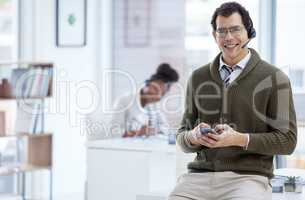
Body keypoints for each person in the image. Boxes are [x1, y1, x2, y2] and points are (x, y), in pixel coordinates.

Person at [169, 2, 297, 200]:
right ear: (214, 36)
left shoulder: (275, 78)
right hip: (198, 179)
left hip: (248, 179)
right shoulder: (198, 77)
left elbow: (288, 141)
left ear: (249, 32)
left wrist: (240, 139)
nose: (228, 37)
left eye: (235, 29)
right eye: (222, 31)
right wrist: (193, 137)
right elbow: (182, 138)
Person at [110, 63, 179, 138]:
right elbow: (113, 133)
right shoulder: (124, 101)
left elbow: (165, 129)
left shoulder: (154, 106)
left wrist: (154, 130)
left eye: (162, 94)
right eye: (155, 88)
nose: (157, 97)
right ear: (147, 84)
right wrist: (138, 132)